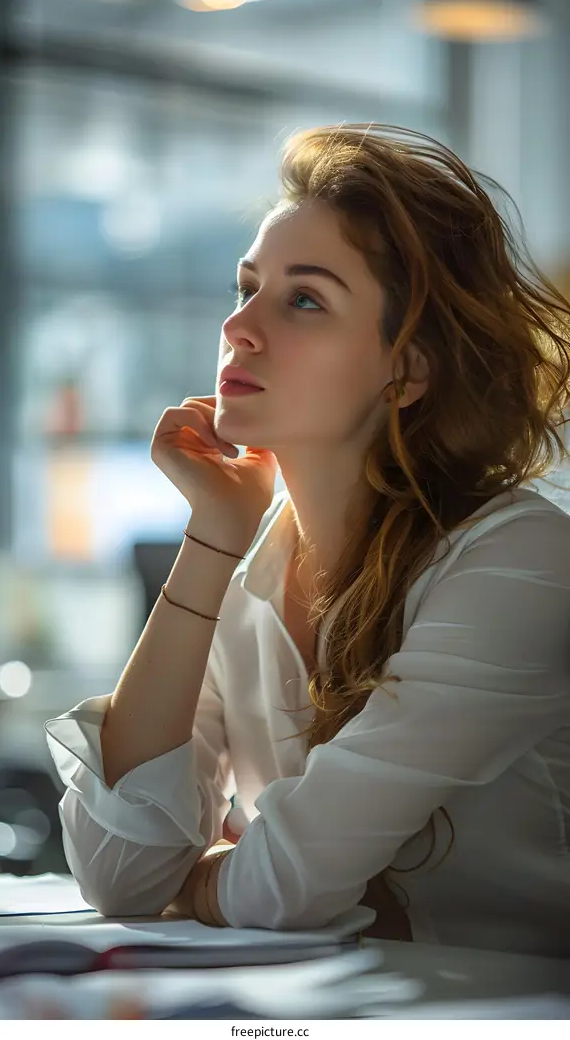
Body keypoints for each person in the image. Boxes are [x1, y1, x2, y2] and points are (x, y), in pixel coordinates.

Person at [45, 124, 570, 957]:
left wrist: (197, 880)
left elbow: (281, 882)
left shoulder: (520, 561)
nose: (240, 326)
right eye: (246, 286)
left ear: (408, 370)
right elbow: (118, 870)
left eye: (304, 299)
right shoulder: (258, 562)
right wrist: (212, 537)